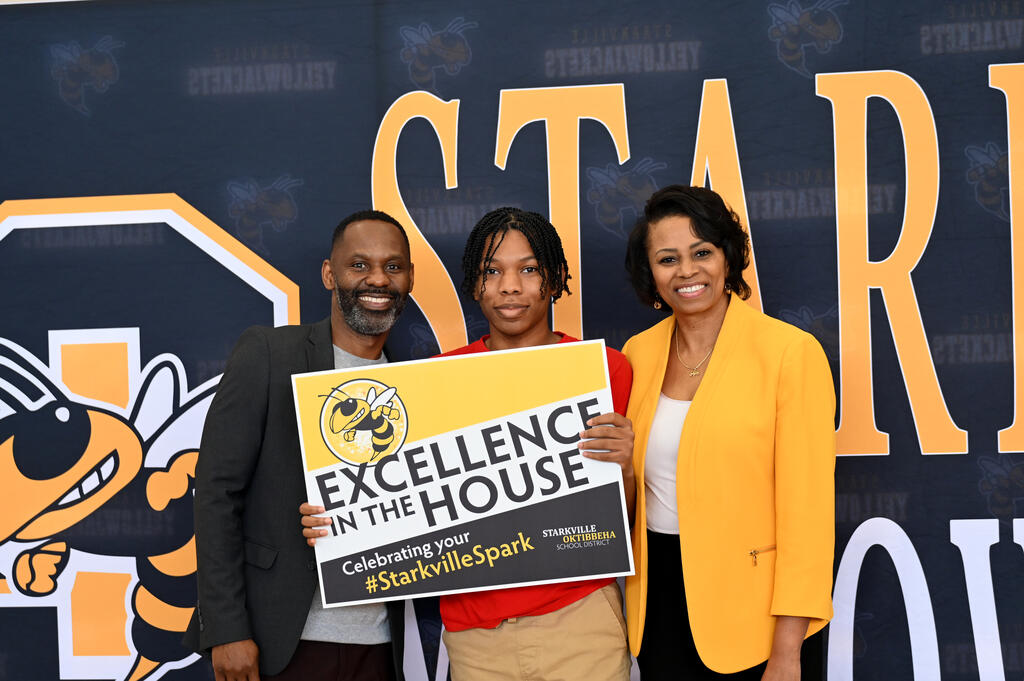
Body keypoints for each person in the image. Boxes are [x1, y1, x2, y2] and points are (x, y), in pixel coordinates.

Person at [303, 207, 635, 681]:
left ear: (556, 278)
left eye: (529, 270)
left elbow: (621, 519)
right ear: (474, 284)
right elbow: (402, 502)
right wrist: (338, 521)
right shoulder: (435, 380)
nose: (510, 286)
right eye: (492, 272)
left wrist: (625, 469)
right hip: (474, 634)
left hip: (579, 617)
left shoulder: (607, 369)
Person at [183, 210, 413, 681]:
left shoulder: (416, 385)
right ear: (329, 274)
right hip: (280, 643)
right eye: (359, 264)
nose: (377, 279)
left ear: (410, 277)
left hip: (379, 646)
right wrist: (226, 629)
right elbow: (216, 493)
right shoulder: (269, 354)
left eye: (392, 266)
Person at [621, 185, 835, 680]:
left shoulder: (789, 354)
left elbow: (808, 518)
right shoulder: (638, 354)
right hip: (659, 606)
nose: (687, 271)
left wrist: (787, 650)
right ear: (651, 273)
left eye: (702, 253)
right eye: (668, 259)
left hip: (756, 618)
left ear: (728, 257)